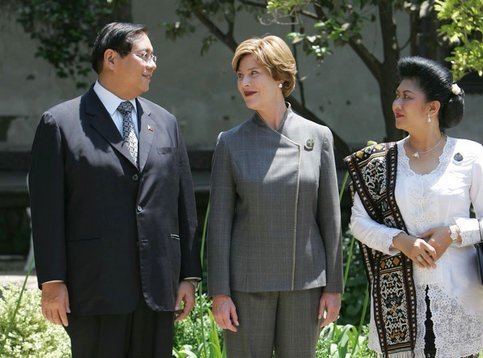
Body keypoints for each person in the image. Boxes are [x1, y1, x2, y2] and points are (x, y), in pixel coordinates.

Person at [28, 22, 201, 357]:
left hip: (157, 290)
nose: (153, 64)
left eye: (154, 56)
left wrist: (188, 276)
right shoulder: (60, 124)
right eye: (145, 55)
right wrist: (52, 282)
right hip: (95, 289)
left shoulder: (166, 123)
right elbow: (48, 211)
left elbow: (183, 205)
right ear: (111, 58)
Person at [346, 56, 483, 358]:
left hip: (459, 296)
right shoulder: (381, 161)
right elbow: (358, 222)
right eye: (397, 94)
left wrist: (453, 233)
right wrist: (400, 241)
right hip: (400, 302)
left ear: (433, 108)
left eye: (407, 97)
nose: (397, 103)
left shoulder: (468, 154)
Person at [207, 35, 343, 357]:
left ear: (280, 77)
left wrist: (333, 287)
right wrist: (219, 293)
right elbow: (219, 226)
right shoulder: (230, 142)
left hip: (305, 285)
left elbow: (330, 217)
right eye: (240, 76)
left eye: (254, 73)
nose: (245, 83)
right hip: (247, 285)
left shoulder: (318, 137)